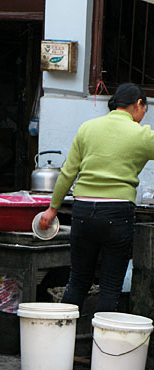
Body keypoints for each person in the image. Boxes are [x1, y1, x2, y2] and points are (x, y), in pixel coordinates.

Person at [40, 82, 154, 314]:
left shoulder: (87, 128)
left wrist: (52, 209)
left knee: (78, 281)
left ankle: (61, 341)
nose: (143, 116)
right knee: (111, 286)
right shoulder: (142, 135)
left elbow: (68, 173)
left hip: (83, 212)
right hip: (117, 213)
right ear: (138, 104)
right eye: (144, 110)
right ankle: (103, 349)